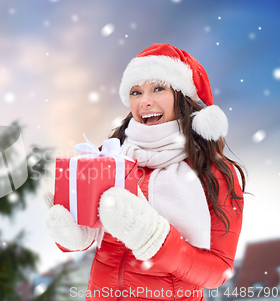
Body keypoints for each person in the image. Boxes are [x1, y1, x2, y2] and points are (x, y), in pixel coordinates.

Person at [43, 43, 246, 301]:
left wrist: (153, 239)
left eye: (158, 88)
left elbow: (219, 271)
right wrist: (75, 235)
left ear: (183, 98)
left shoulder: (212, 170)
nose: (145, 100)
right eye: (136, 92)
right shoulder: (112, 157)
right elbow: (96, 237)